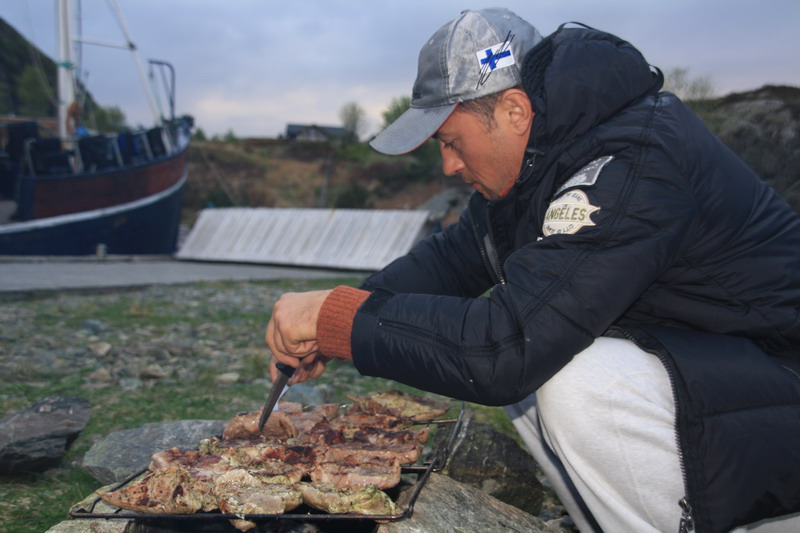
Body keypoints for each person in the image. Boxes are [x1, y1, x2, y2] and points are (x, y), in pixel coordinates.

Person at [265, 8, 800, 532]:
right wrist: (335, 320)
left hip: (780, 384)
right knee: (542, 362)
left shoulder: (632, 162)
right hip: (727, 377)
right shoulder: (544, 165)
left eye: (451, 142)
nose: (447, 165)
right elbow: (452, 260)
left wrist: (340, 319)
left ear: (515, 112)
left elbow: (508, 347)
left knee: (569, 375)